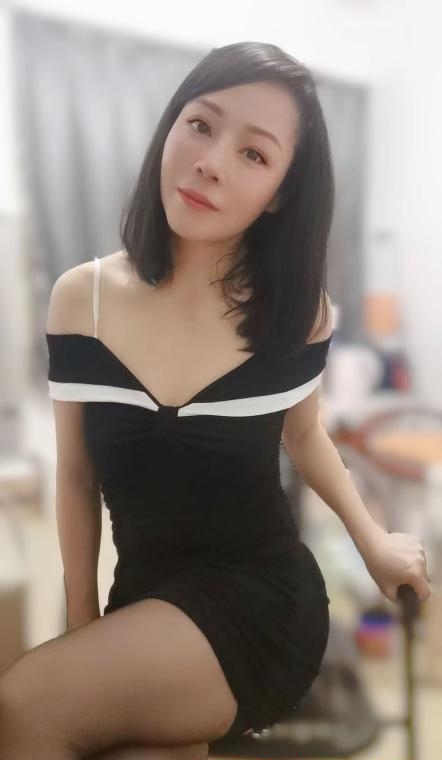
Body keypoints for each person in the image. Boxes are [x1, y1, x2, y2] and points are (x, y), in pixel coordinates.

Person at [0, 40, 431, 760]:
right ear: (171, 125)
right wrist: (84, 625)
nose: (210, 162)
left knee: (20, 704)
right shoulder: (83, 298)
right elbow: (75, 476)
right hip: (144, 598)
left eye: (254, 154)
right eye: (200, 124)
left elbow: (305, 435)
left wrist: (372, 539)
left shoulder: (296, 313)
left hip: (260, 599)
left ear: (280, 193)